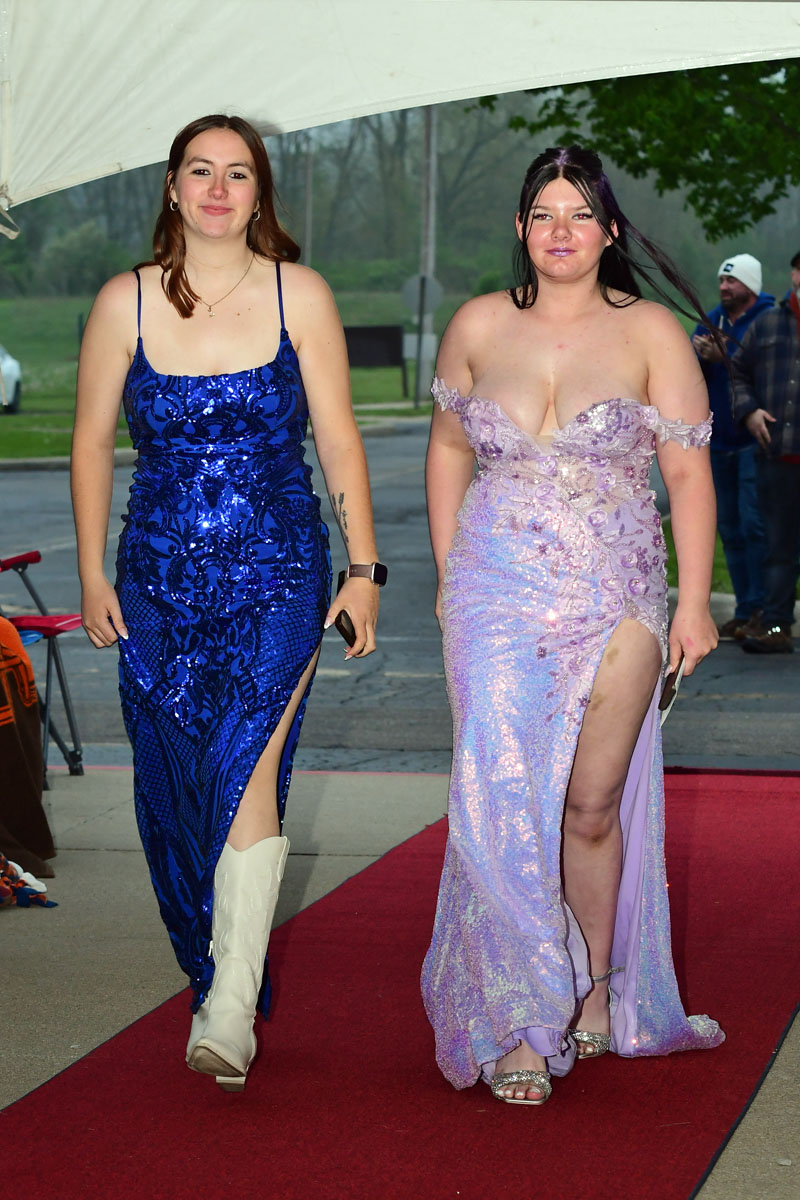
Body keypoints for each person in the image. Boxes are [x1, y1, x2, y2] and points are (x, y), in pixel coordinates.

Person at [71, 114, 385, 1091]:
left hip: (279, 573)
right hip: (157, 585)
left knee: (248, 768)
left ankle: (230, 1005)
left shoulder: (304, 295)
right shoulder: (121, 302)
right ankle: (212, 967)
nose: (217, 188)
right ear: (170, 187)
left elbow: (337, 439)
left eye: (236, 173)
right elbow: (87, 444)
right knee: (174, 792)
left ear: (260, 194)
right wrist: (90, 573)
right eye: (199, 171)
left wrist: (364, 568)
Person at [421, 146, 724, 1107]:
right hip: (493, 592)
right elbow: (447, 446)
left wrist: (692, 602)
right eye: (544, 212)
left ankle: (592, 984)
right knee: (498, 798)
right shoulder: (476, 324)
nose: (560, 230)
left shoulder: (653, 333)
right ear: (521, 227)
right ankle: (517, 1017)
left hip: (619, 595)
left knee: (590, 805)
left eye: (579, 214)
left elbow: (685, 473)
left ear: (609, 232)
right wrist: (445, 572)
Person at [692, 255, 772, 640]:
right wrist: (699, 354)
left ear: (751, 286)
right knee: (729, 529)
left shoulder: (767, 320)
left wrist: (723, 357)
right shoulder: (712, 321)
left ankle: (763, 606)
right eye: (722, 282)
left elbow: (761, 371)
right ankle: (743, 609)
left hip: (752, 441)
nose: (725, 288)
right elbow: (692, 373)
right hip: (717, 440)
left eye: (733, 282)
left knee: (755, 524)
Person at [731, 249, 800, 654]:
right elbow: (738, 371)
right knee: (778, 547)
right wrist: (750, 412)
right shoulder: (768, 325)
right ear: (794, 275)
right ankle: (777, 627)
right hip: (777, 457)